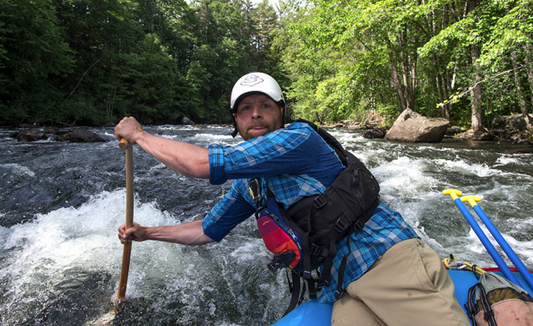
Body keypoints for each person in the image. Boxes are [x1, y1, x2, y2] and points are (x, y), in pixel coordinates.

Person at [115, 72, 470, 326]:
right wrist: (148, 233)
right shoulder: (250, 182)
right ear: (235, 121)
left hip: (390, 264)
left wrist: (140, 135)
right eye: (245, 109)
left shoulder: (298, 139)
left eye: (265, 105)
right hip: (343, 287)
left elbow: (198, 165)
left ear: (281, 112)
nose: (256, 114)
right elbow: (207, 230)